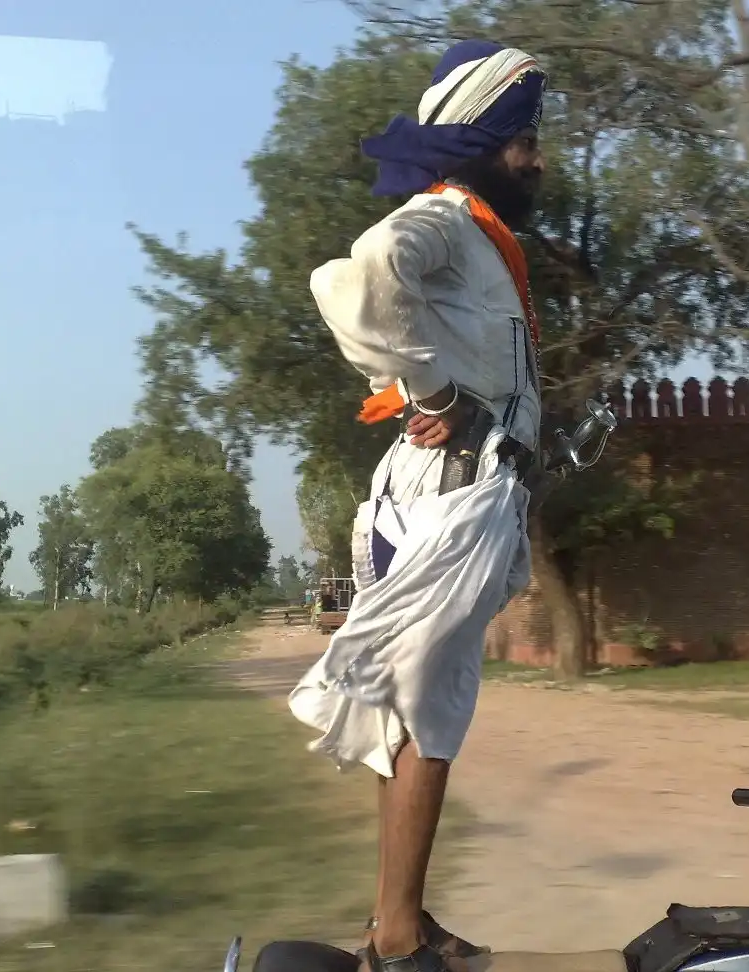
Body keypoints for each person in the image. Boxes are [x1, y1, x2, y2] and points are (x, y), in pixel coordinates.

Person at [287, 39, 548, 972]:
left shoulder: (475, 233)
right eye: (525, 142)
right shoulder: (443, 218)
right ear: (483, 142)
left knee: (415, 715)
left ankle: (394, 919)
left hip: (458, 491)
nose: (538, 160)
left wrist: (429, 386)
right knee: (430, 719)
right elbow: (356, 275)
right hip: (451, 496)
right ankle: (398, 939)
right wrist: (431, 391)